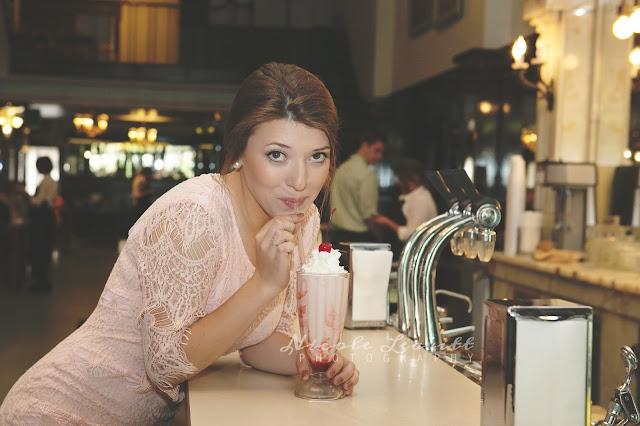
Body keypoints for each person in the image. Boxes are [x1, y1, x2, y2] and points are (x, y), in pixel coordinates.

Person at [0, 62, 359, 425]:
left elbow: (256, 343)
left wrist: (311, 361)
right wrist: (263, 284)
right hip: (60, 410)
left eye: (317, 156)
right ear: (238, 150)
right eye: (276, 155)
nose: (300, 181)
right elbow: (164, 367)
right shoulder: (193, 215)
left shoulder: (302, 219)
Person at [328, 130, 385, 245]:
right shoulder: (367, 174)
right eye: (377, 151)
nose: (379, 156)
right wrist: (380, 238)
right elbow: (369, 216)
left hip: (337, 236)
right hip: (359, 238)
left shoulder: (341, 169)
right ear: (364, 145)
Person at [372, 158, 438, 242]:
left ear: (410, 179)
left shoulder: (420, 200)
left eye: (400, 178)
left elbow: (411, 234)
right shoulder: (409, 196)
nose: (398, 183)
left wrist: (387, 222)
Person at [28, 156, 59, 292]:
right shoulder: (52, 182)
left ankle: (40, 281)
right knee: (45, 247)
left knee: (40, 247)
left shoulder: (46, 182)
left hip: (42, 218)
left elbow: (40, 201)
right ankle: (42, 280)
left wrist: (27, 197)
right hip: (47, 217)